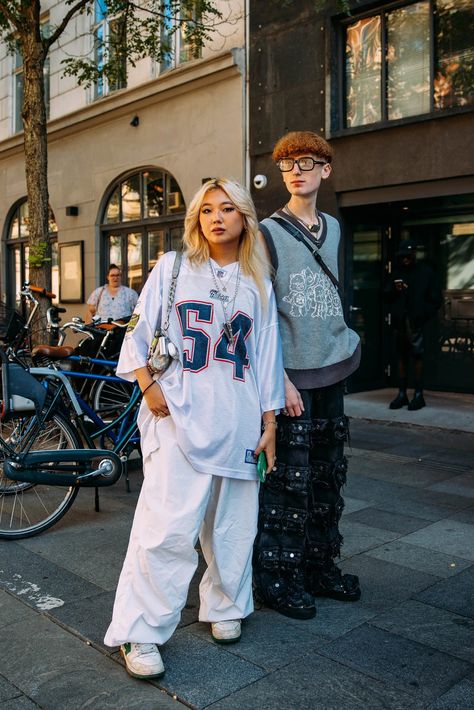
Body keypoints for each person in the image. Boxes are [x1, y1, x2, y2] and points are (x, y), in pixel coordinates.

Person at [104, 178, 285, 679]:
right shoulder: (173, 268)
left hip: (240, 419)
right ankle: (140, 629)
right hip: (178, 414)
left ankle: (225, 605)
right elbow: (137, 336)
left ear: (244, 217)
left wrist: (270, 422)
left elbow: (268, 357)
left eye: (228, 208)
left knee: (232, 525)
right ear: (196, 220)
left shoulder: (259, 282)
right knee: (166, 527)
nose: (217, 218)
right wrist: (146, 384)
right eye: (207, 211)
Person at [253, 130, 362, 620]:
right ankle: (278, 580)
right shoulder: (266, 232)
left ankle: (320, 568)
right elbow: (260, 313)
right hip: (291, 377)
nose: (296, 170)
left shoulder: (334, 228)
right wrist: (280, 379)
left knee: (327, 478)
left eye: (307, 162)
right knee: (286, 485)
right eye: (287, 164)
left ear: (326, 170)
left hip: (331, 367)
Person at [384, 240, 442, 410]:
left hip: (417, 322)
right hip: (400, 322)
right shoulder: (396, 273)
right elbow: (385, 296)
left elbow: (435, 300)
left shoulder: (426, 273)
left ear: (414, 255)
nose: (405, 260)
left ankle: (418, 395)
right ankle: (402, 394)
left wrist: (421, 315)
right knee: (401, 357)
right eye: (402, 257)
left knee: (417, 357)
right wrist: (395, 291)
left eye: (408, 257)